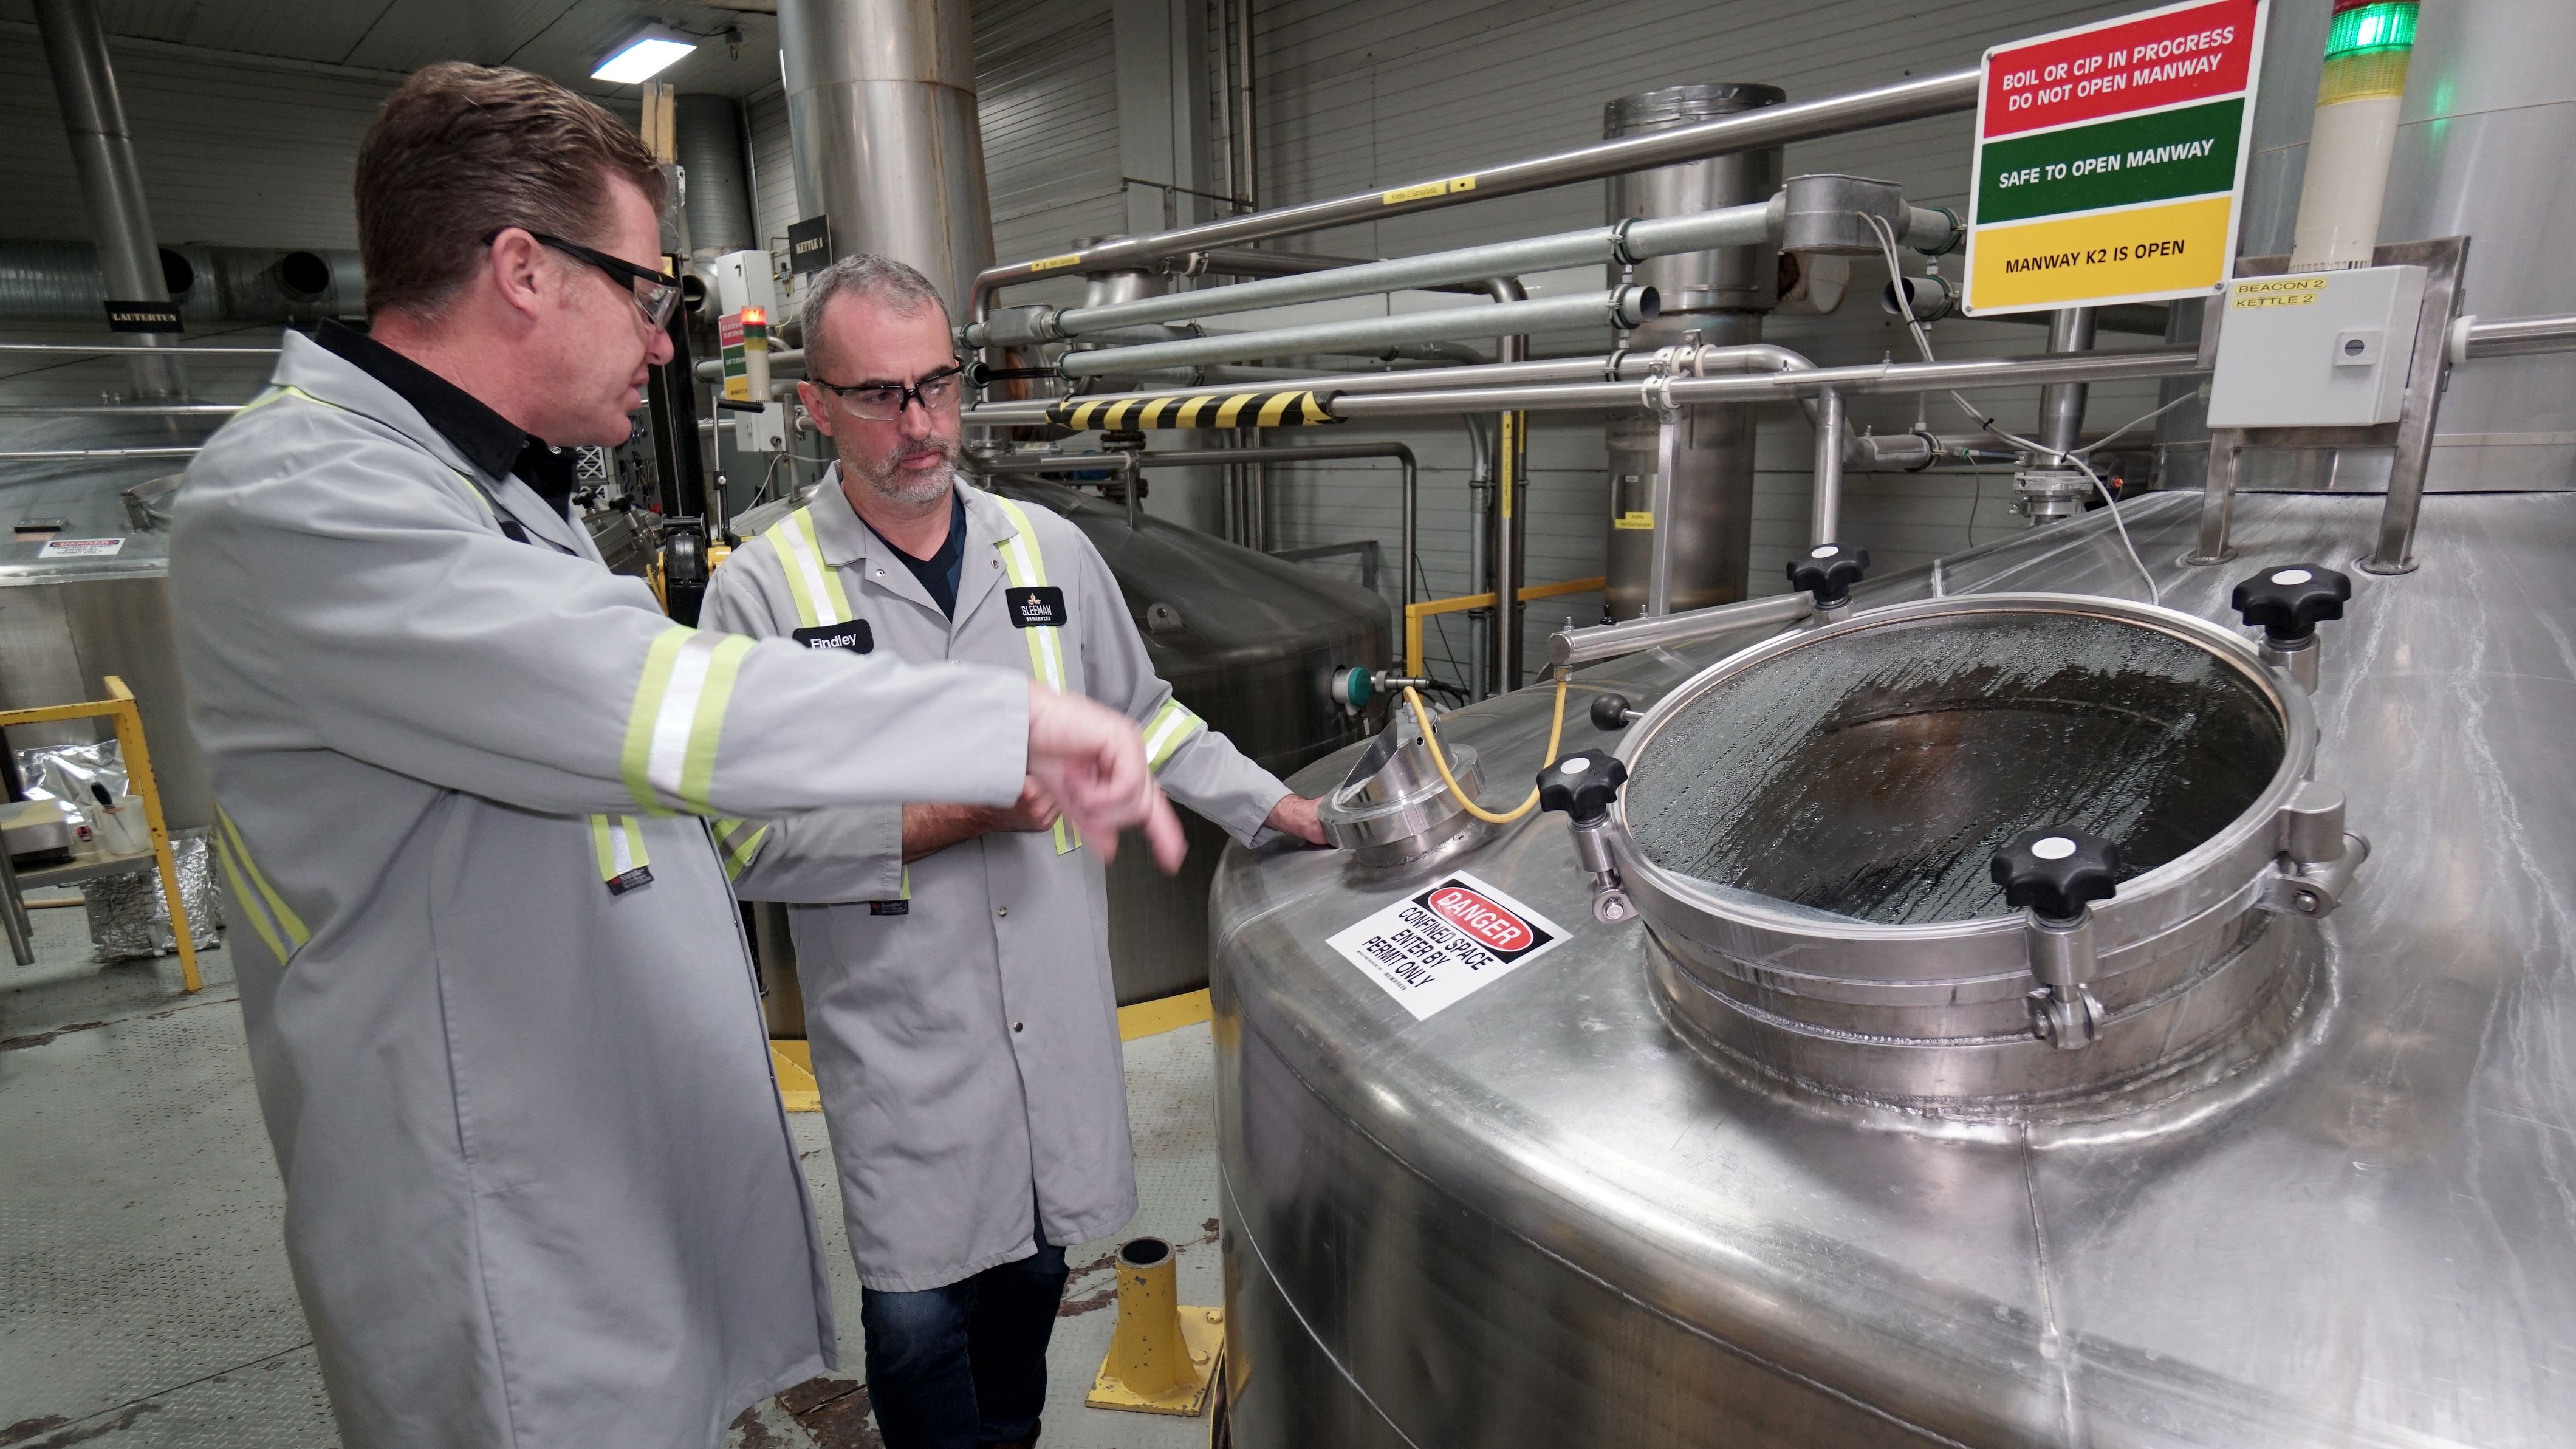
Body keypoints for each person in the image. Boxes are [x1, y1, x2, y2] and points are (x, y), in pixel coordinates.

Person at [167, 65, 1183, 1449]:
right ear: (524, 270)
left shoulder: (491, 495)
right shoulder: (308, 495)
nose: (659, 345)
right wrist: (1008, 719)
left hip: (598, 1160)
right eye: (645, 294)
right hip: (497, 1206)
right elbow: (661, 708)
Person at [700, 253, 1326, 1449]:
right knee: (920, 1318)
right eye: (880, 394)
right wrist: (955, 813)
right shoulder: (764, 592)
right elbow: (743, 842)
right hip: (905, 1047)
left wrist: (1270, 808)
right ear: (813, 403)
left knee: (1034, 1277)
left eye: (937, 383)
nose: (922, 421)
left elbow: (1146, 717)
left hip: (1050, 1015)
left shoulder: (1042, 550)